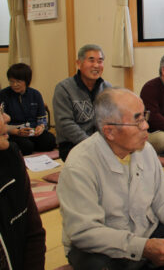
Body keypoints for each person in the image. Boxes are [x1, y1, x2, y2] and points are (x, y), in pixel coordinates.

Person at [57, 88, 164, 270]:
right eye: (137, 120)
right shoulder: (80, 165)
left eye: (144, 117)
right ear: (109, 131)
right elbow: (85, 232)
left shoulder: (146, 150)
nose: (146, 126)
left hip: (144, 232)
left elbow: (163, 199)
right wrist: (143, 248)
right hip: (102, 246)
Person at [0, 103, 47, 270]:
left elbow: (34, 234)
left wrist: (41, 127)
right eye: (0, 111)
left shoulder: (11, 155)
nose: (7, 117)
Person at [53, 44, 112, 161]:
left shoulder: (107, 88)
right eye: (91, 60)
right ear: (79, 64)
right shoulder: (64, 88)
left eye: (100, 61)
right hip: (73, 144)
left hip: (101, 142)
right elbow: (65, 123)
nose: (96, 65)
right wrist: (91, 144)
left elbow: (111, 118)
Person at [0, 63, 56, 155]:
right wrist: (17, 132)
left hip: (32, 131)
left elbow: (42, 118)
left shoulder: (35, 94)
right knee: (26, 147)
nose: (14, 85)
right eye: (11, 81)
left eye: (18, 81)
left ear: (26, 80)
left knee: (50, 141)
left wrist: (40, 127)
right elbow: (2, 124)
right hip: (15, 133)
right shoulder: (3, 95)